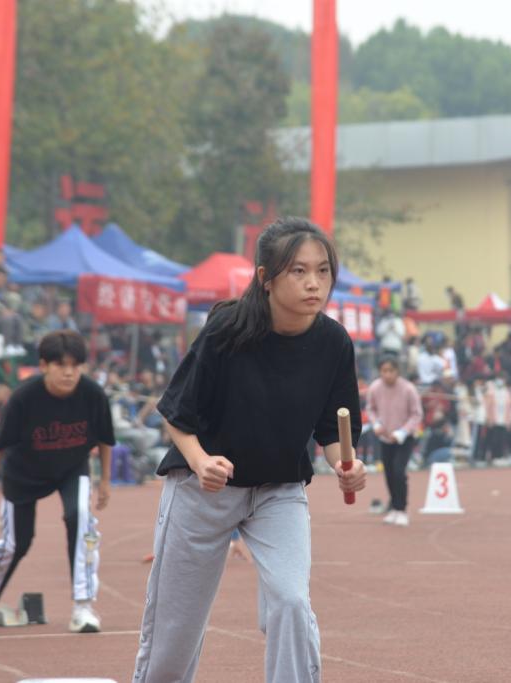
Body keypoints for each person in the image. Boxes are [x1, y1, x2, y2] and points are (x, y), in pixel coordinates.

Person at [131, 218, 366, 683]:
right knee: (175, 630)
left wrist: (349, 464)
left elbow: (333, 435)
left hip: (278, 490)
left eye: (322, 270)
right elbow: (177, 413)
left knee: (292, 602)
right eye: (298, 271)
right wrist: (201, 461)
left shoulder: (334, 342)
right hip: (203, 490)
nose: (314, 282)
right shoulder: (227, 328)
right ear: (265, 278)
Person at [0, 330, 114, 632]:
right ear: (44, 365)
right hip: (23, 474)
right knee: (16, 544)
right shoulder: (24, 398)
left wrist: (105, 482)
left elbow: (104, 440)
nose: (69, 373)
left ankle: (83, 607)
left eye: (75, 365)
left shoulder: (93, 394)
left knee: (82, 521)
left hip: (72, 468)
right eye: (61, 365)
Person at [365, 356, 423, 527]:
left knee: (399, 471)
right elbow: (371, 408)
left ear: (397, 371)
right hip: (385, 437)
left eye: (391, 370)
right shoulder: (375, 388)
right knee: (389, 473)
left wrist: (403, 431)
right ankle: (394, 508)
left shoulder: (408, 389)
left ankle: (402, 509)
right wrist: (376, 424)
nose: (387, 374)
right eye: (384, 371)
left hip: (404, 438)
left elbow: (416, 414)